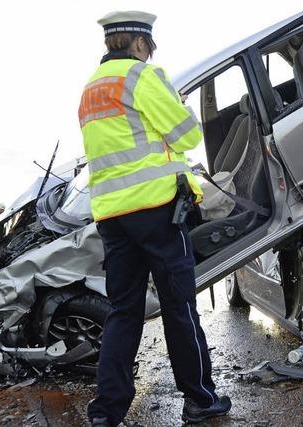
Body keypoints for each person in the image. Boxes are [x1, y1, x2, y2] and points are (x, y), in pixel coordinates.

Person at [79, 10, 231, 426]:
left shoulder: (91, 88)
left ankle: (106, 413)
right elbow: (188, 135)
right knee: (179, 306)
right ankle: (199, 400)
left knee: (123, 311)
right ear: (141, 43)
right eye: (150, 45)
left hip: (112, 217)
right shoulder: (143, 76)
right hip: (157, 211)